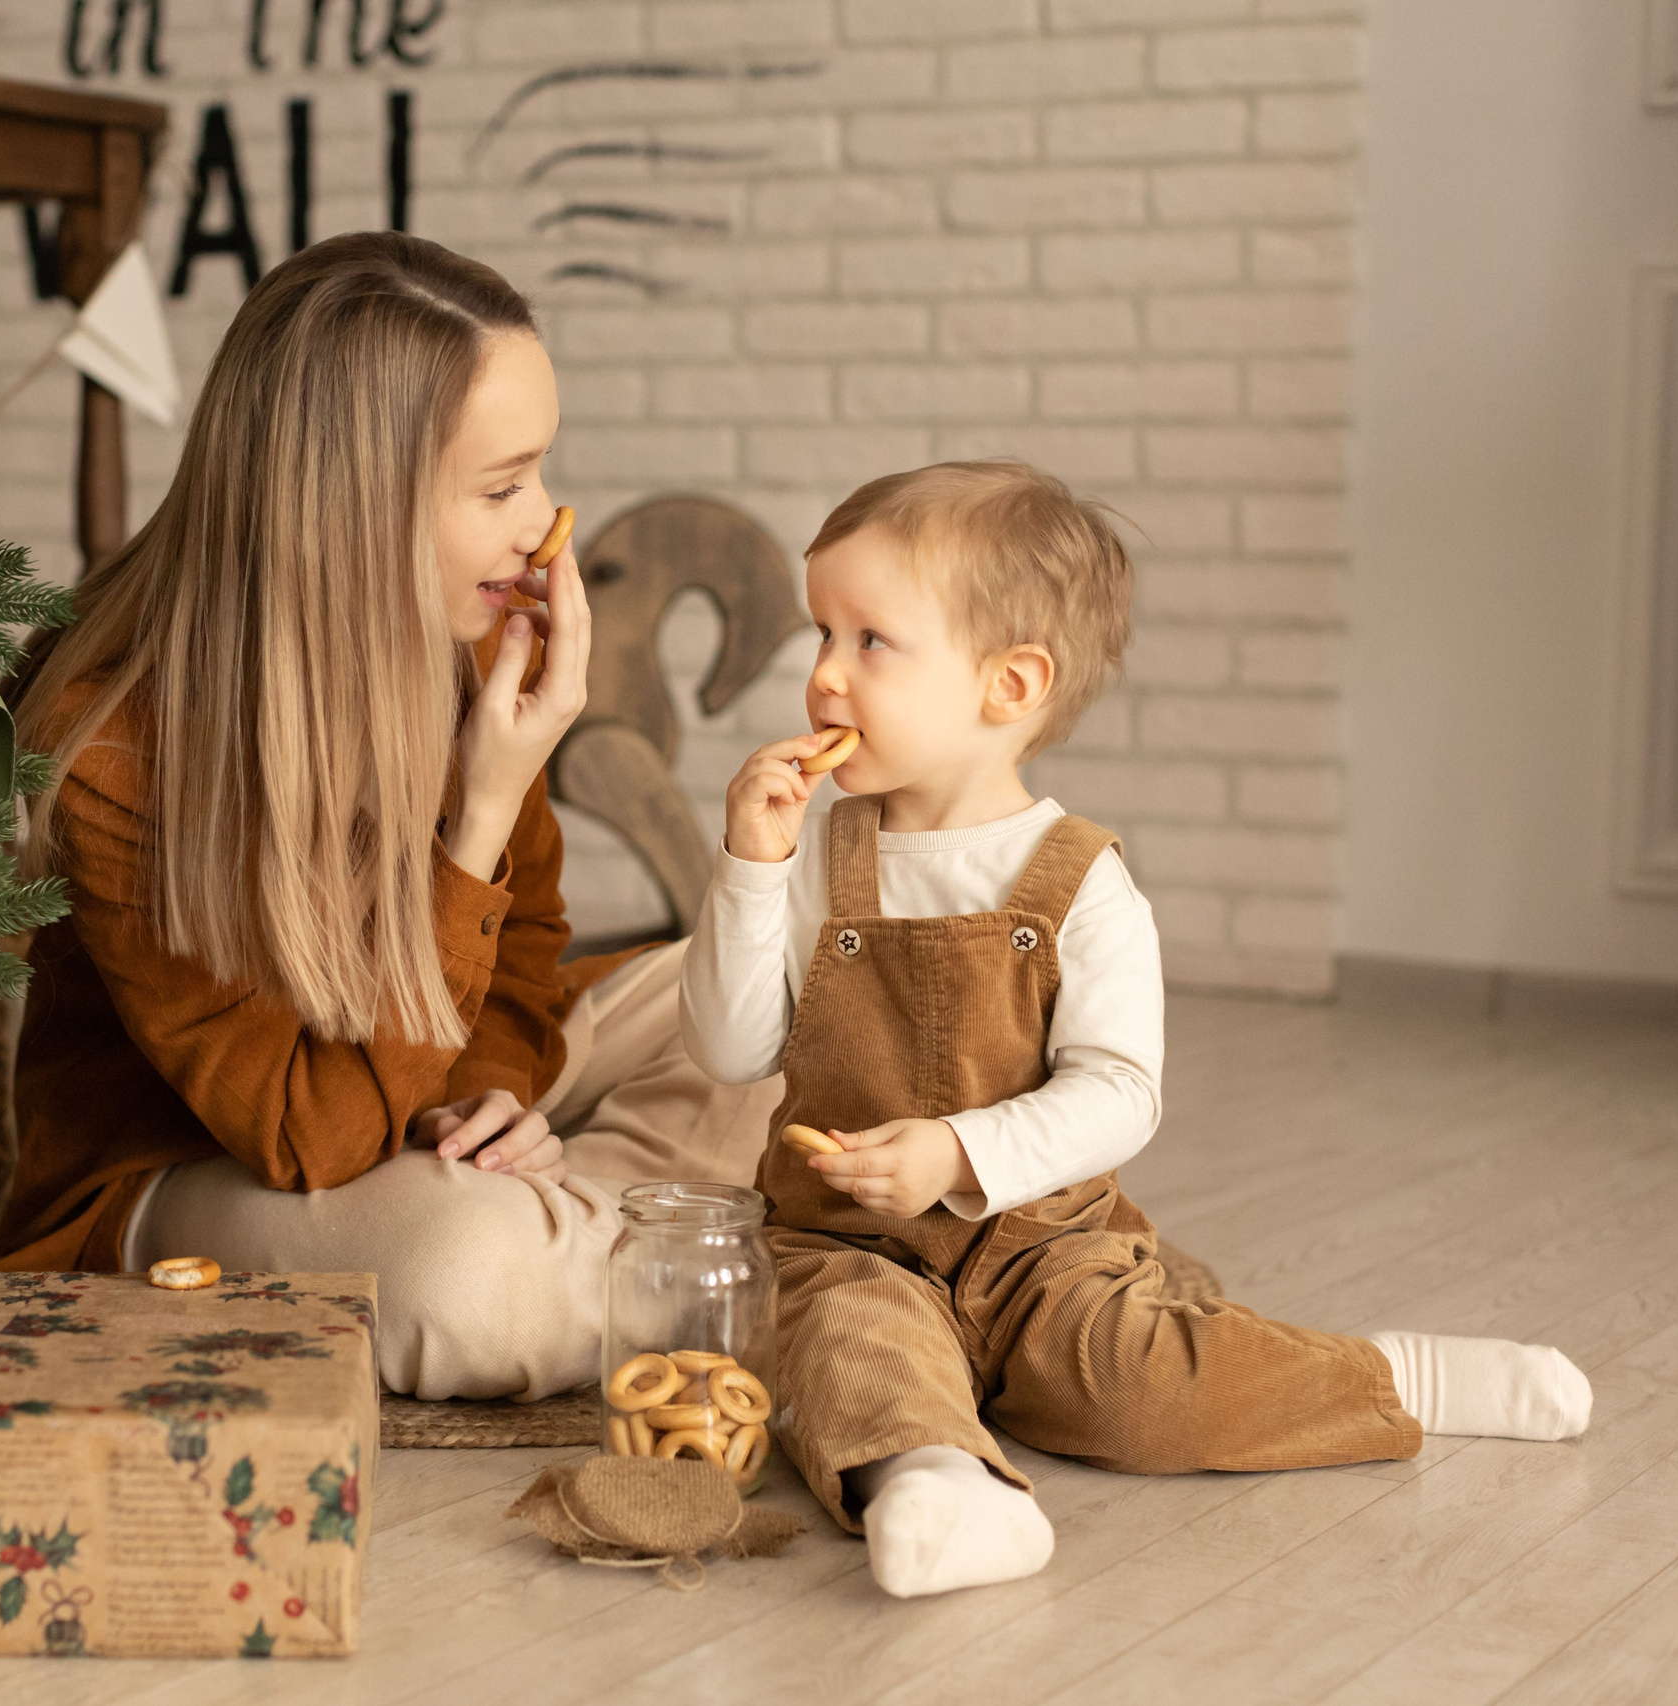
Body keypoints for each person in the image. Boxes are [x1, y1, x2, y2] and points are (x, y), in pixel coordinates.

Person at [680, 460, 1593, 1600]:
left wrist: (955, 1152)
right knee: (843, 1354)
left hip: (1043, 1249)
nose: (820, 672)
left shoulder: (1079, 883)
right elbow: (726, 1049)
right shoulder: (815, 858)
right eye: (822, 631)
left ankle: (1391, 1377)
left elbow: (1119, 1093)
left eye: (871, 641)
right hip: (849, 1248)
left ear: (1008, 683)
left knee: (1139, 1390)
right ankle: (940, 1482)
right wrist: (747, 871)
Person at [0, 232, 778, 1401]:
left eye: (543, 470)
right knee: (475, 1276)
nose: (546, 524)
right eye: (502, 486)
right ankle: (706, 1250)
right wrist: (487, 803)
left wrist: (497, 1092)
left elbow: (521, 955)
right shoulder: (111, 742)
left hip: (420, 1100)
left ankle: (612, 1228)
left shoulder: (461, 630)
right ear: (355, 505)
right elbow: (308, 1133)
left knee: (776, 991)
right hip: (203, 1170)